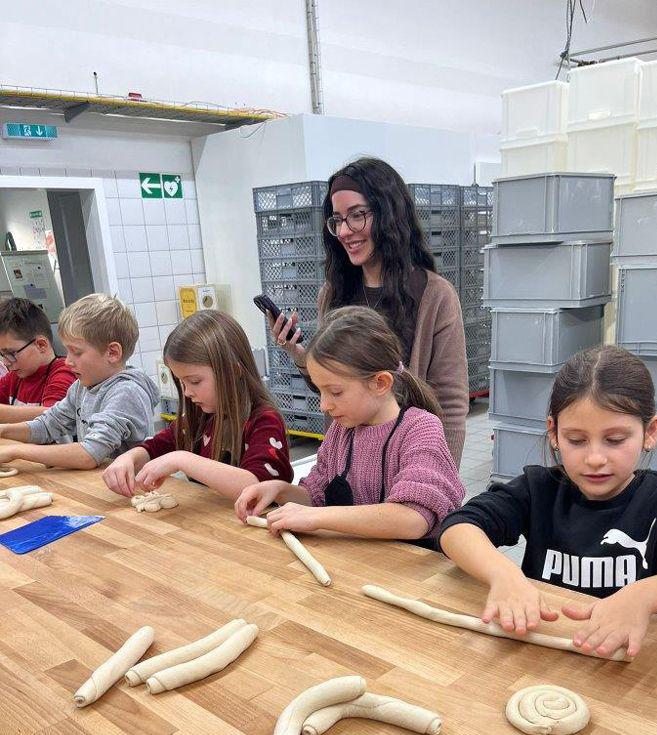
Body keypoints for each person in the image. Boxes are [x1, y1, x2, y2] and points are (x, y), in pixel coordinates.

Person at [438, 345, 657, 659]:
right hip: (545, 655)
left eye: (615, 440)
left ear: (650, 432)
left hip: (631, 662)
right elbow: (458, 527)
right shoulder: (538, 489)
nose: (595, 458)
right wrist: (504, 576)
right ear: (554, 433)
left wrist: (642, 597)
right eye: (576, 440)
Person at [267, 157, 469, 465]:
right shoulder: (333, 294)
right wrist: (299, 354)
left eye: (357, 215)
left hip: (409, 462)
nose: (345, 231)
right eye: (337, 220)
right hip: (347, 461)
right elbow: (337, 386)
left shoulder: (434, 296)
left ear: (389, 214)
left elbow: (451, 404)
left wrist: (440, 472)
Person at [235, 305, 464, 540]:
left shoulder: (420, 429)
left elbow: (413, 519)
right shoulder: (342, 429)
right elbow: (315, 496)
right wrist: (279, 490)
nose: (324, 405)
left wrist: (317, 518)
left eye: (335, 392)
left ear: (380, 383)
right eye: (320, 391)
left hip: (410, 563)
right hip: (355, 558)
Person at [103, 310, 292, 501]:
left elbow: (257, 487)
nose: (187, 392)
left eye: (194, 381)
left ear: (234, 372)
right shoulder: (201, 418)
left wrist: (181, 459)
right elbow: (155, 447)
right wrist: (129, 458)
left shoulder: (265, 422)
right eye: (182, 382)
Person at [0, 294, 159, 469]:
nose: (67, 361)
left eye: (76, 352)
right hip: (99, 481)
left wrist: (16, 451)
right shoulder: (82, 386)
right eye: (67, 351)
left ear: (112, 353)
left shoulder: (127, 392)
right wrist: (4, 431)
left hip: (131, 484)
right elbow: (48, 424)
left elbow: (89, 454)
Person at [0, 297, 76, 421]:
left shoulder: (64, 374)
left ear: (41, 345)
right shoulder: (15, 378)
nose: (6, 362)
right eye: (2, 354)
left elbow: (53, 417)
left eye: (11, 353)